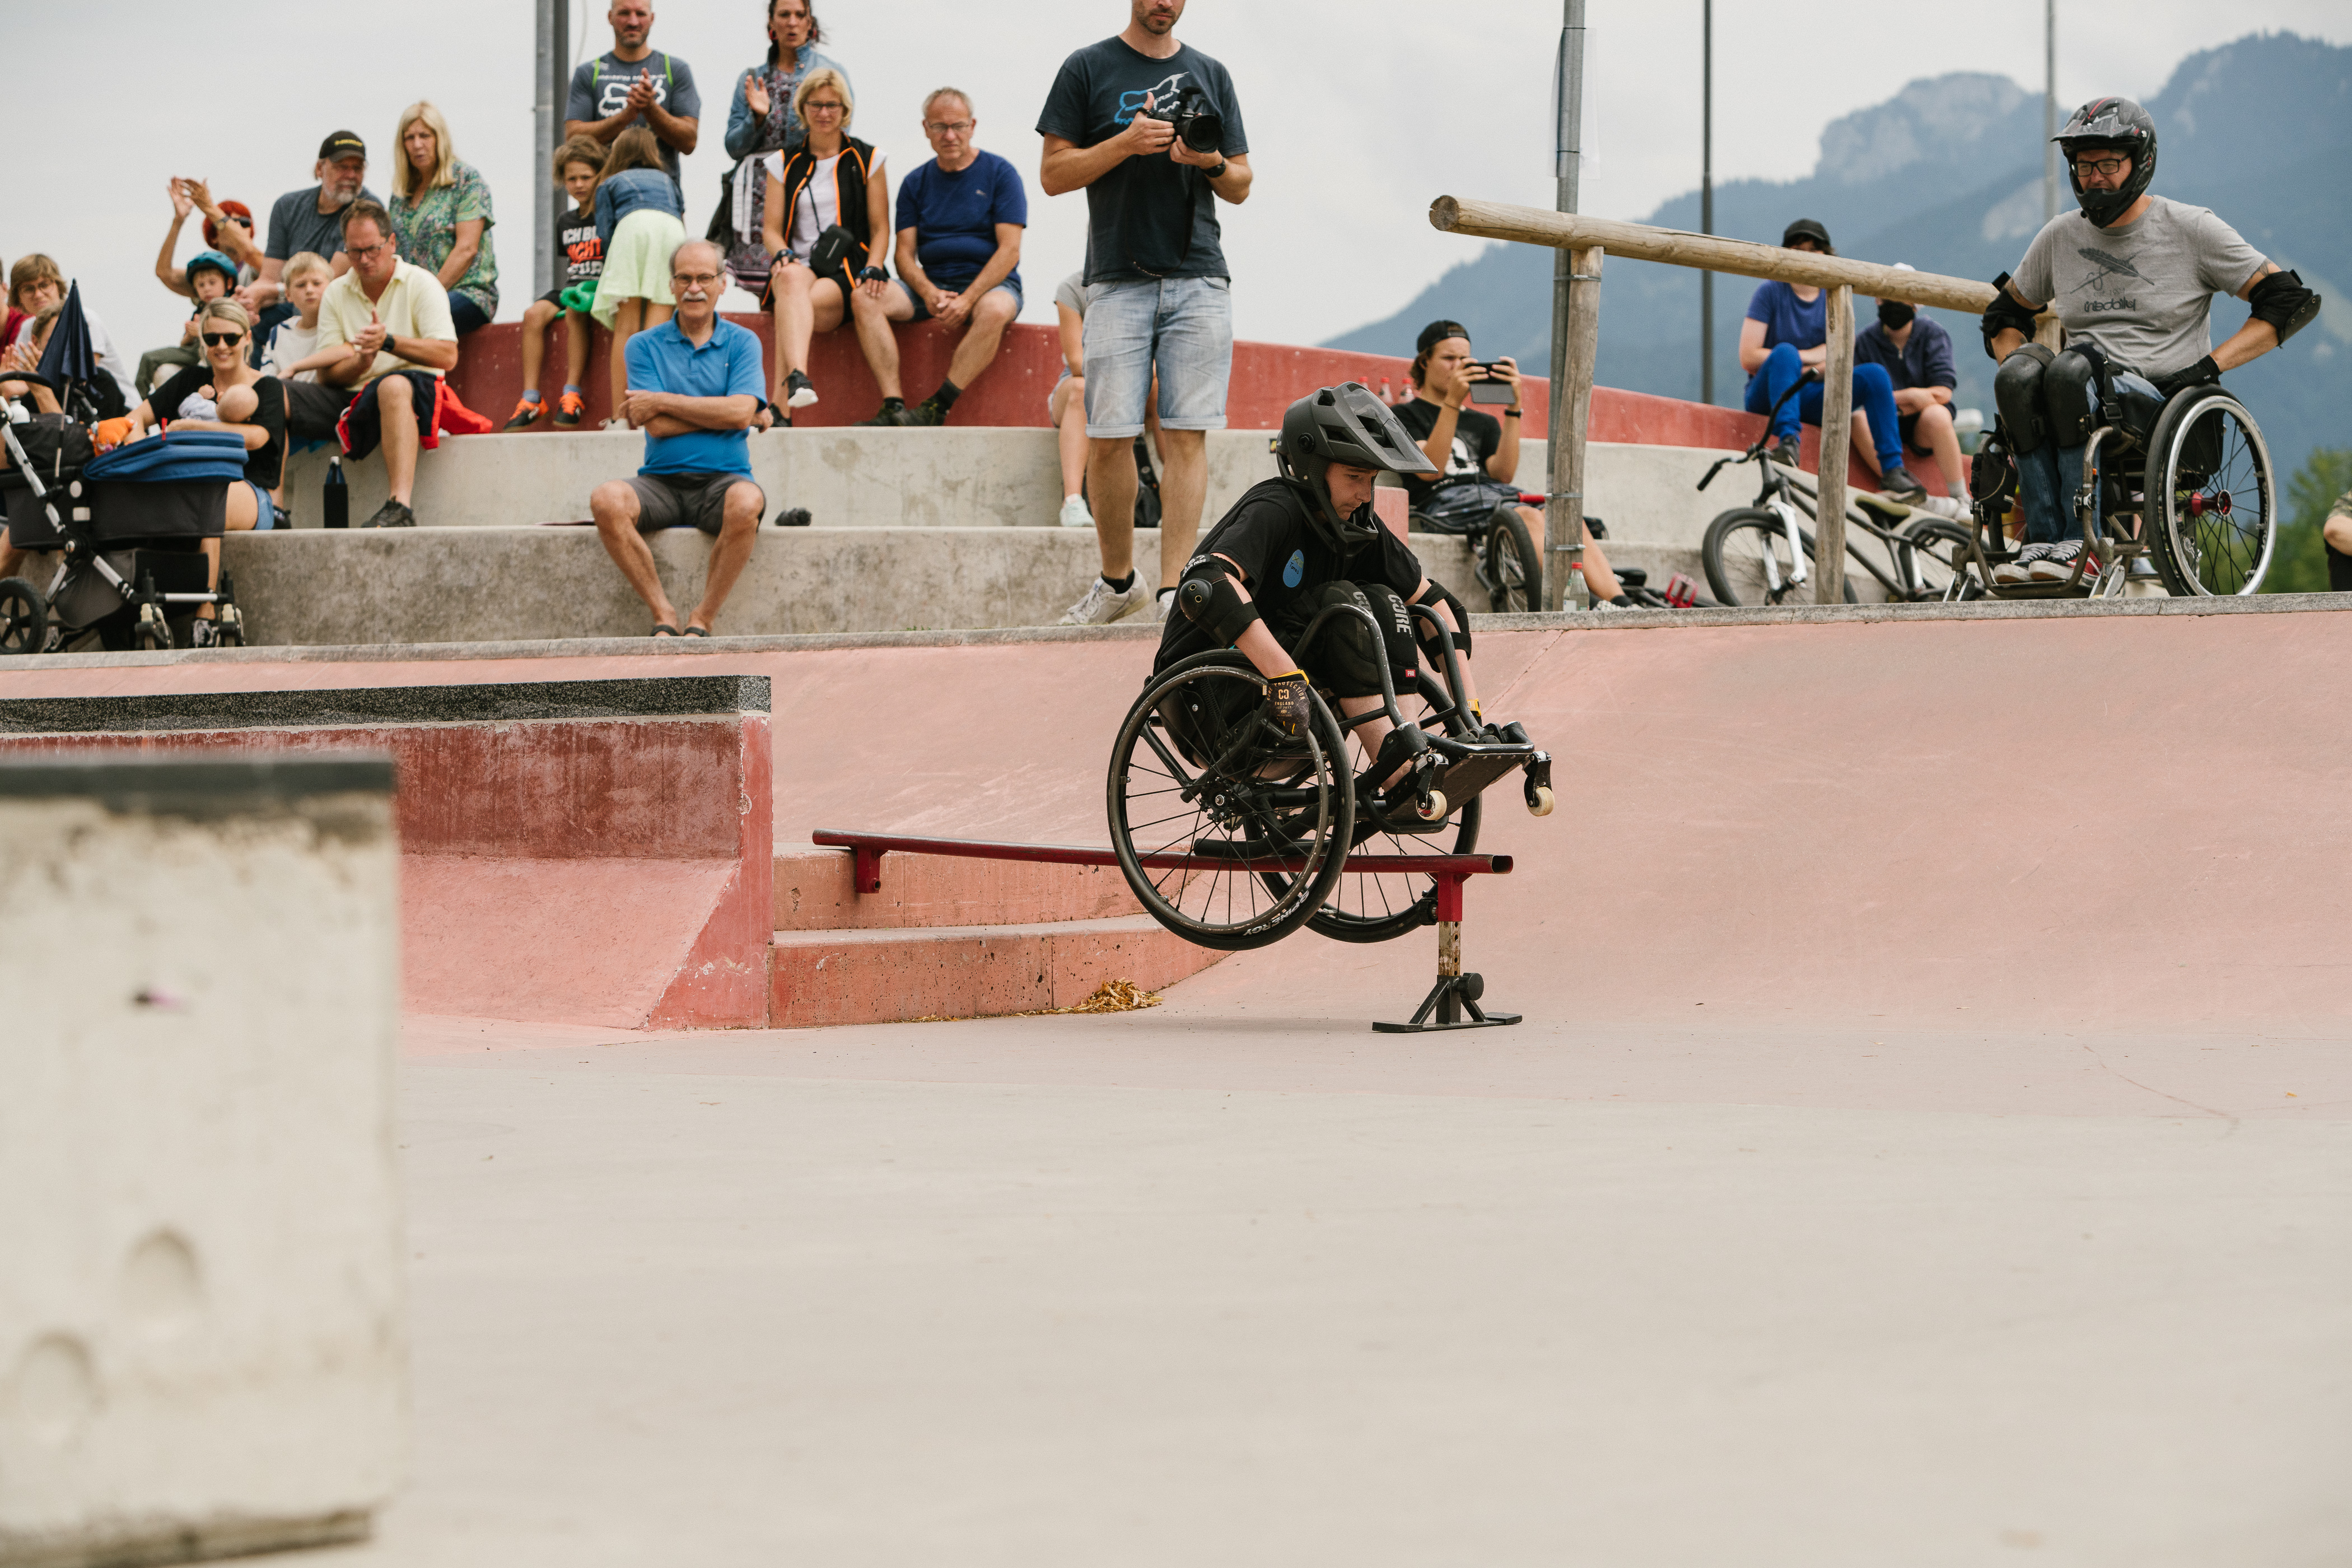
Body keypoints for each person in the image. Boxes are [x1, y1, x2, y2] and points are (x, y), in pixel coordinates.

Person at [1980, 97, 2315, 584]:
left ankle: (2082, 545)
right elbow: (2005, 313)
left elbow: (2287, 301)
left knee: (2072, 369)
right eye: (2084, 164)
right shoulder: (2059, 237)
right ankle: (2043, 544)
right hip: (2074, 389)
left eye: (2109, 164)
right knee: (2019, 376)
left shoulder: (2191, 228)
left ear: (2141, 162)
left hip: (2160, 398)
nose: (2094, 177)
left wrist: (2209, 368)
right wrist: (2019, 374)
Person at [1155, 383, 1491, 802]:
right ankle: (1398, 769)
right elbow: (1206, 588)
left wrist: (1469, 712)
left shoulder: (1358, 524)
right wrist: (1285, 679)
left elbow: (1436, 606)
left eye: (1371, 479)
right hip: (1210, 706)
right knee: (1344, 605)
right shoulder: (1275, 508)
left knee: (1389, 602)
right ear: (1312, 467)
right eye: (1354, 478)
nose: (1365, 494)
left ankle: (1408, 751)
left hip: (1295, 707)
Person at [1039, 0, 1253, 624]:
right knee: (1110, 439)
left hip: (1199, 275)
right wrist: (1127, 142)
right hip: (1116, 277)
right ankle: (1116, 583)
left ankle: (1171, 594)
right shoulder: (1087, 67)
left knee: (1186, 436)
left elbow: (1241, 182)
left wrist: (1207, 161)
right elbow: (1053, 173)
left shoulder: (1211, 72)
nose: (1164, 2)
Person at [1390, 320, 1642, 609]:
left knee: (1564, 515)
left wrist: (1514, 408)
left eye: (1464, 359)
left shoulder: (1482, 421)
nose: (1458, 366)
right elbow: (1429, 470)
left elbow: (1503, 474)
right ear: (1424, 362)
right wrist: (1452, 403)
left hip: (1493, 496)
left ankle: (1621, 603)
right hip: (1442, 500)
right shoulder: (1404, 414)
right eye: (1449, 359)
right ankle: (1590, 603)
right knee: (1528, 516)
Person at [589, 239, 767, 637]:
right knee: (606, 499)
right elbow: (658, 426)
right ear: (671, 285)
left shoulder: (743, 342)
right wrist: (736, 414)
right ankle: (663, 613)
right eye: (684, 278)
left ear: (723, 283)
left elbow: (737, 413)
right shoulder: (643, 345)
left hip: (725, 481)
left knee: (748, 501)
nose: (694, 288)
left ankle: (702, 618)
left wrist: (665, 401)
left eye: (705, 278)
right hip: (661, 483)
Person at [107, 299, 286, 643]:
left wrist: (190, 427)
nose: (221, 346)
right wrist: (137, 442)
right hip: (188, 487)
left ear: (247, 338)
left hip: (251, 493)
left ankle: (205, 614)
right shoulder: (191, 380)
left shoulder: (267, 388)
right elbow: (135, 418)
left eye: (231, 339)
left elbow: (257, 438)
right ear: (202, 340)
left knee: (208, 496)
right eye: (212, 338)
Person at [858, 87, 1027, 427]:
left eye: (958, 126)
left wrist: (968, 299)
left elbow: (1009, 250)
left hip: (989, 286)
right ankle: (893, 405)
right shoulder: (915, 183)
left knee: (995, 310)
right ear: (925, 129)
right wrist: (927, 292)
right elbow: (903, 254)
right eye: (939, 127)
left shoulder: (1000, 173)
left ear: (973, 126)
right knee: (864, 298)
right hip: (932, 286)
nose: (950, 135)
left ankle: (938, 405)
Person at [1739, 218, 1926, 505]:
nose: (1806, 254)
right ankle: (1788, 443)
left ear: (1827, 254)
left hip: (1811, 394)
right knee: (1785, 353)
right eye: (1798, 248)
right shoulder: (1770, 292)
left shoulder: (1834, 296)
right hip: (1768, 397)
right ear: (1786, 252)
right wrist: (1804, 357)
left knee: (1874, 375)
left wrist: (1797, 365)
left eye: (1814, 249)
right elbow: (1749, 357)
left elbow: (1839, 360)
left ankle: (1893, 470)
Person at [313, 199, 460, 529]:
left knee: (392, 386)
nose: (364, 260)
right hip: (354, 392)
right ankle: (273, 506)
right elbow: (327, 375)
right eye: (354, 252)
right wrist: (362, 362)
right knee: (276, 394)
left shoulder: (422, 283)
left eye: (372, 249)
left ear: (392, 243)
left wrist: (389, 342)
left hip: (416, 389)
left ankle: (400, 504)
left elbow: (448, 356)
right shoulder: (336, 291)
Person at [758, 68, 890, 420]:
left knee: (794, 305)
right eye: (816, 105)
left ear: (845, 110)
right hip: (801, 264)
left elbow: (880, 229)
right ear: (803, 109)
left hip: (847, 270)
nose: (824, 113)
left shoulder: (868, 158)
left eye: (833, 105)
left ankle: (779, 403)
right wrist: (781, 253)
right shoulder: (782, 162)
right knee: (787, 280)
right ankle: (799, 378)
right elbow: (770, 230)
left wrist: (874, 266)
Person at [720, 0, 850, 298]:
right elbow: (732, 146)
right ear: (771, 24)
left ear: (809, 23)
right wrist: (757, 118)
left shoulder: (830, 73)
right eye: (784, 15)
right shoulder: (752, 77)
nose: (792, 22)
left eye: (799, 15)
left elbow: (842, 134)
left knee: (802, 270)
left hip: (806, 183)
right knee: (756, 284)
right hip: (756, 193)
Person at [1852, 263, 1968, 521]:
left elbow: (1943, 392)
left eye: (1902, 296)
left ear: (1916, 303)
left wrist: (1897, 399)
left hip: (1921, 427)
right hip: (1881, 423)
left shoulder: (1932, 334)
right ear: (1878, 299)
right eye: (1889, 295)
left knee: (1938, 414)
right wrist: (1914, 396)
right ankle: (1899, 484)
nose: (1895, 303)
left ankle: (1962, 498)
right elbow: (1856, 394)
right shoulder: (1865, 341)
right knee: (1857, 420)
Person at [508, 137, 608, 431]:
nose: (578, 185)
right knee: (533, 315)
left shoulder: (608, 216)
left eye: (586, 178)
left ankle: (572, 394)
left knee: (576, 310)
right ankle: (531, 399)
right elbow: (571, 264)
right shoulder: (565, 221)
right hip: (573, 284)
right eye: (571, 179)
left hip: (598, 287)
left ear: (600, 176)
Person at [591, 126, 687, 423]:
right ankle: (652, 413)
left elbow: (605, 235)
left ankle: (620, 418)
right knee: (656, 331)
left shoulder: (609, 182)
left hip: (631, 230)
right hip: (672, 233)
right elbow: (680, 216)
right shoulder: (669, 182)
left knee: (627, 328)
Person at [564, 0, 702, 194]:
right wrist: (625, 117)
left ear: (652, 18)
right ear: (610, 17)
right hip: (605, 198)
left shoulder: (675, 70)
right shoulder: (589, 73)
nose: (633, 22)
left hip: (663, 196)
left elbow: (689, 142)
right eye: (623, 13)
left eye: (641, 14)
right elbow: (573, 138)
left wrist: (650, 108)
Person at [386, 101, 500, 337]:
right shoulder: (400, 195)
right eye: (410, 138)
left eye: (425, 136)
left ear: (440, 138)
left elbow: (467, 249)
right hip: (411, 301)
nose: (418, 145)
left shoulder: (466, 180)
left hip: (468, 293)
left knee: (414, 326)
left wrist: (428, 297)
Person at [254, 132, 380, 313]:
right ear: (320, 169)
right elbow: (269, 277)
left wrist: (270, 292)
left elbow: (327, 282)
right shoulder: (287, 206)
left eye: (358, 168)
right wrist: (249, 296)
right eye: (342, 167)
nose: (351, 175)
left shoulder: (367, 210)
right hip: (290, 304)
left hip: (336, 309)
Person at [3, 256, 136, 412]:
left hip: (117, 410)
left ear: (58, 286)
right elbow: (19, 381)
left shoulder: (84, 319)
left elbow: (81, 377)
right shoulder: (27, 328)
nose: (38, 294)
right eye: (28, 289)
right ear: (17, 295)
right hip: (65, 409)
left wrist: (26, 385)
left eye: (44, 285)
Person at [133, 249, 239, 400]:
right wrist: (190, 335)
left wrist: (202, 333)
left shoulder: (230, 308)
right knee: (149, 358)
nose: (207, 288)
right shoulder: (201, 309)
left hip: (215, 357)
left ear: (228, 283)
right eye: (201, 285)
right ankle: (138, 403)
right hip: (194, 354)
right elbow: (185, 346)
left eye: (212, 283)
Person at [259, 253, 334, 384]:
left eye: (317, 283)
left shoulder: (337, 328)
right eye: (301, 285)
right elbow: (268, 379)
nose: (309, 290)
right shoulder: (279, 332)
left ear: (332, 287)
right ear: (288, 294)